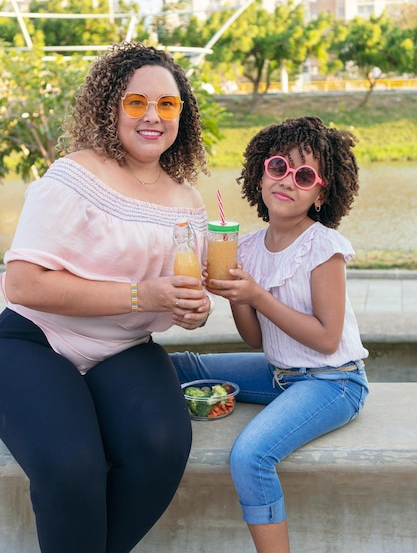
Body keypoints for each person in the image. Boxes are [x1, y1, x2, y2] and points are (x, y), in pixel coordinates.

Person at [0, 41, 212, 553]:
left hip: (124, 351)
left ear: (182, 113)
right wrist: (145, 295)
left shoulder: (189, 201)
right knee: (72, 466)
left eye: (167, 104)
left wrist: (193, 308)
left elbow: (180, 295)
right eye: (136, 102)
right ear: (110, 106)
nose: (152, 117)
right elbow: (22, 284)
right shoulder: (77, 174)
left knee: (161, 447)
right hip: (36, 340)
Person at [171, 116, 369, 553]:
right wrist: (232, 292)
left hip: (334, 382)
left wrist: (256, 294)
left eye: (304, 175)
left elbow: (326, 339)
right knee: (179, 364)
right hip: (280, 373)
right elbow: (255, 340)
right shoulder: (247, 247)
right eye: (278, 167)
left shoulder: (323, 247)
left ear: (321, 193)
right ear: (260, 172)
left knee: (250, 457)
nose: (287, 181)